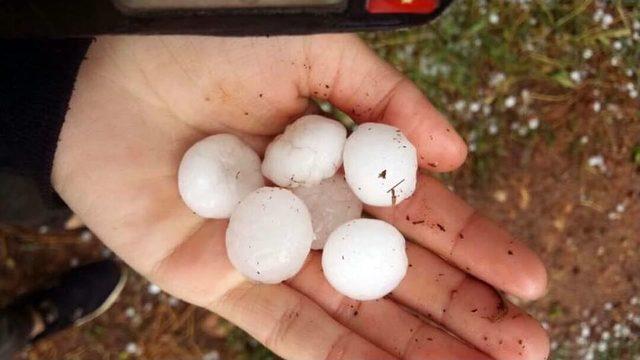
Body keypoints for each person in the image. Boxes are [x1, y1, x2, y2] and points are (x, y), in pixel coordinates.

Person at [1, 35, 550, 359]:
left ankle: (48, 231)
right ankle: (47, 252)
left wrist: (65, 79)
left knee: (29, 187)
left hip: (29, 106)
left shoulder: (318, 203)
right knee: (30, 186)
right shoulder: (272, 197)